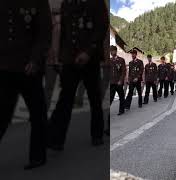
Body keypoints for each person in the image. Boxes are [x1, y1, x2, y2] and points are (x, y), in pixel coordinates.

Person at [47, 0, 107, 151]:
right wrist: (61, 57)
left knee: (94, 98)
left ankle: (97, 134)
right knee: (65, 99)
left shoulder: (96, 2)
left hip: (90, 59)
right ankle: (56, 139)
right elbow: (65, 33)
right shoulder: (67, 3)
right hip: (70, 59)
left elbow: (101, 28)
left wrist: (88, 52)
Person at [0, 0, 52, 169]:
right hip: (5, 67)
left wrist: (35, 59)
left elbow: (44, 33)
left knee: (38, 114)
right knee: (2, 114)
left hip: (28, 67)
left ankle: (38, 156)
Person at [45, 10, 62, 111]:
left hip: (54, 61)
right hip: (54, 61)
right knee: (49, 87)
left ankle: (45, 109)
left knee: (48, 87)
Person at [110, 45, 126, 115]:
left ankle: (121, 110)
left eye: (112, 51)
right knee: (110, 97)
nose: (111, 52)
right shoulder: (109, 60)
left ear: (115, 51)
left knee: (121, 97)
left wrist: (121, 80)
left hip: (119, 82)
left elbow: (123, 71)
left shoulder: (121, 60)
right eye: (110, 51)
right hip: (111, 82)